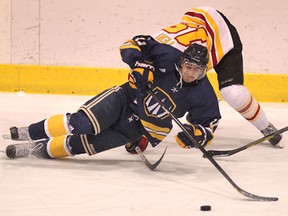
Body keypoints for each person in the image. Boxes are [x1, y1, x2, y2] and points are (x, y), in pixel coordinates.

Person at [5, 36, 221, 159]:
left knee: (81, 144)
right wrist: (139, 64)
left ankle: (34, 149)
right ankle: (29, 132)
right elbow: (131, 44)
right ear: (181, 62)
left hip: (141, 128)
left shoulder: (203, 93)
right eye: (188, 67)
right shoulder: (166, 55)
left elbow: (208, 125)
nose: (192, 73)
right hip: (124, 100)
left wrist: (195, 135)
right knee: (81, 123)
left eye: (198, 70)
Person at [150, 5, 283, 147]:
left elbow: (203, 96)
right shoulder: (158, 54)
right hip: (197, 28)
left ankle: (266, 127)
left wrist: (204, 127)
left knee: (233, 93)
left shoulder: (171, 57)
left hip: (218, 30)